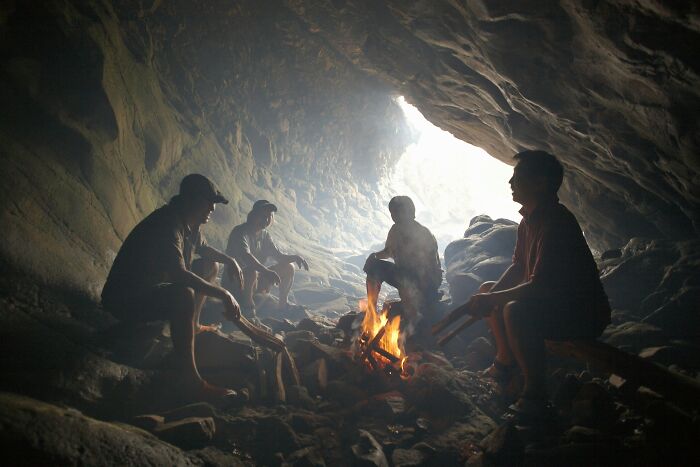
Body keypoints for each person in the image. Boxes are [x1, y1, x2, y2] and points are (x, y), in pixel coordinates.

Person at [464, 150, 611, 418]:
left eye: (517, 177)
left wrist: (495, 301)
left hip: (582, 314)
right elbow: (519, 266)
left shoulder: (556, 223)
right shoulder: (528, 220)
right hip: (554, 303)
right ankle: (506, 360)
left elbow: (539, 286)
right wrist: (490, 295)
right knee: (488, 289)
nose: (510, 182)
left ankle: (535, 393)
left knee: (515, 310)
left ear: (540, 183)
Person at [101, 174, 245, 399]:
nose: (213, 210)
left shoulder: (190, 224)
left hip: (150, 290)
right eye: (209, 202)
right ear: (193, 200)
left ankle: (194, 325)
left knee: (210, 265)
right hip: (124, 300)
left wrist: (230, 260)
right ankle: (189, 380)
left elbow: (205, 250)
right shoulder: (167, 223)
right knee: (183, 294)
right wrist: (224, 293)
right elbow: (178, 274)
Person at [363, 196, 442, 324]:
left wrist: (417, 293)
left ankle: (414, 318)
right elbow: (388, 252)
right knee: (373, 266)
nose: (394, 216)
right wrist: (374, 257)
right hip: (405, 276)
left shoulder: (423, 233)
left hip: (425, 283)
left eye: (397, 211)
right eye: (392, 212)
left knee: (407, 280)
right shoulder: (395, 230)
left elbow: (431, 265)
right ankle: (371, 313)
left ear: (409, 211)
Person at [224, 200, 309, 319]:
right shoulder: (240, 232)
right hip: (235, 282)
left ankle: (282, 307)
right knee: (251, 271)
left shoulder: (264, 235)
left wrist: (295, 257)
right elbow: (246, 257)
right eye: (263, 215)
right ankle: (248, 311)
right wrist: (266, 272)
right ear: (253, 215)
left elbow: (278, 256)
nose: (267, 219)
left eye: (270, 216)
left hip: (256, 279)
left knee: (289, 267)